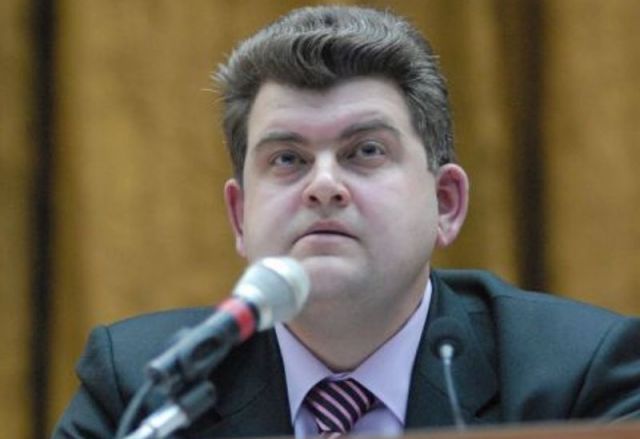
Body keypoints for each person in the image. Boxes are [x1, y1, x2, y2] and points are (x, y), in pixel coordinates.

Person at [52, 5, 640, 438]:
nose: (324, 184)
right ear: (239, 215)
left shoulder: (579, 377)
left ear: (446, 203)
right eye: (288, 159)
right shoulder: (143, 386)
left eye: (366, 151)